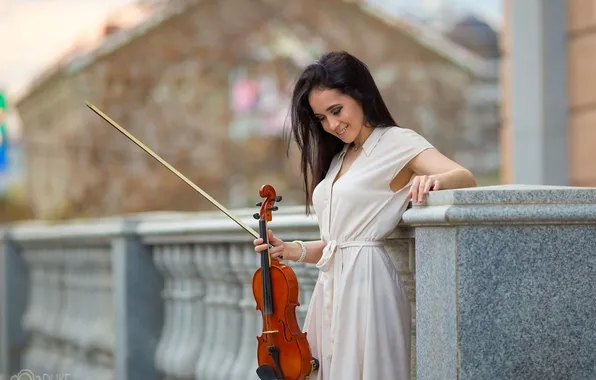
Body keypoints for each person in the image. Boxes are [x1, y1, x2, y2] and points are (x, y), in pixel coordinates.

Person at [253, 51, 477, 380]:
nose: (331, 124)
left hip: (370, 287)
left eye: (336, 110)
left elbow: (464, 177)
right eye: (321, 118)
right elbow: (337, 243)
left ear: (361, 95)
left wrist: (434, 179)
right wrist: (290, 249)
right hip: (331, 286)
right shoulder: (339, 157)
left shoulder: (397, 142)